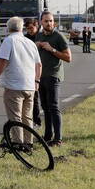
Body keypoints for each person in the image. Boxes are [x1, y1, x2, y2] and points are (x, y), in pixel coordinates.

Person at [0, 16, 42, 149]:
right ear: (21, 28)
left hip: (14, 86)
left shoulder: (9, 41)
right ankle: (29, 142)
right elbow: (39, 65)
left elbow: (3, 61)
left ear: (8, 28)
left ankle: (18, 143)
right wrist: (37, 80)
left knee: (15, 117)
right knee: (27, 116)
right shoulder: (30, 42)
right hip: (30, 86)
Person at [35, 11, 72, 146]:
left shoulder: (59, 37)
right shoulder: (39, 36)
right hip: (41, 76)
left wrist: (52, 49)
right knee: (45, 107)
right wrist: (36, 46)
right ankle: (47, 136)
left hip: (53, 76)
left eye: (51, 21)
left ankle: (58, 139)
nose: (49, 23)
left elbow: (68, 58)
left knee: (54, 107)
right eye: (46, 21)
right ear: (41, 22)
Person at [23, 18, 43, 126]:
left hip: (41, 68)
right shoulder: (25, 38)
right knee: (34, 97)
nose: (29, 30)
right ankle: (35, 120)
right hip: (30, 70)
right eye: (27, 28)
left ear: (37, 26)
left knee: (42, 97)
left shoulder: (41, 36)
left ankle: (37, 119)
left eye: (31, 28)